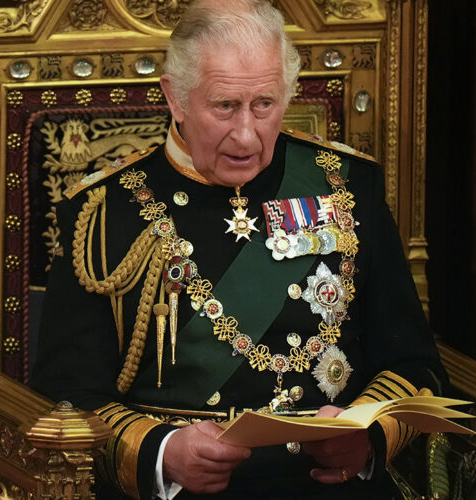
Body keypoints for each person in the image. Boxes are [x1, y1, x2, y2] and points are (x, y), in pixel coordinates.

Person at [32, 0, 446, 498]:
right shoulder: (104, 211)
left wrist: (368, 435)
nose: (246, 134)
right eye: (225, 106)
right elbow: (65, 398)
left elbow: (414, 364)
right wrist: (163, 453)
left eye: (265, 105)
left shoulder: (345, 185)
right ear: (176, 97)